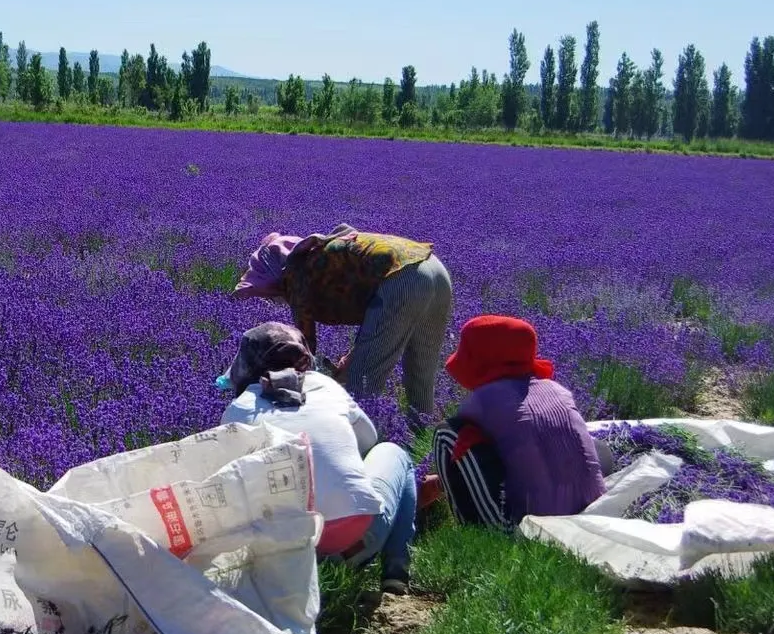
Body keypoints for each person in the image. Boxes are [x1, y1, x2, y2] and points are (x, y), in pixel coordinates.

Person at [219, 322, 420, 595]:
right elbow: (369, 441)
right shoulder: (325, 386)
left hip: (280, 560)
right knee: (394, 453)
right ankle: (396, 570)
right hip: (354, 547)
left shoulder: (237, 408)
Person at [233, 223, 453, 416]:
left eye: (268, 293)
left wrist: (314, 390)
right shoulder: (319, 254)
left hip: (401, 279)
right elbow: (375, 320)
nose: (272, 300)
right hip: (433, 267)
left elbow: (304, 349)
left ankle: (362, 446)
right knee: (421, 367)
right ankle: (422, 435)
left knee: (363, 381)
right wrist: (351, 358)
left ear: (274, 277)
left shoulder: (296, 275)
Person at [431, 315, 606, 531]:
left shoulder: (482, 401)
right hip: (594, 511)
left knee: (448, 435)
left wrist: (441, 482)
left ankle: (484, 533)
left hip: (532, 525)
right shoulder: (558, 390)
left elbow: (474, 460)